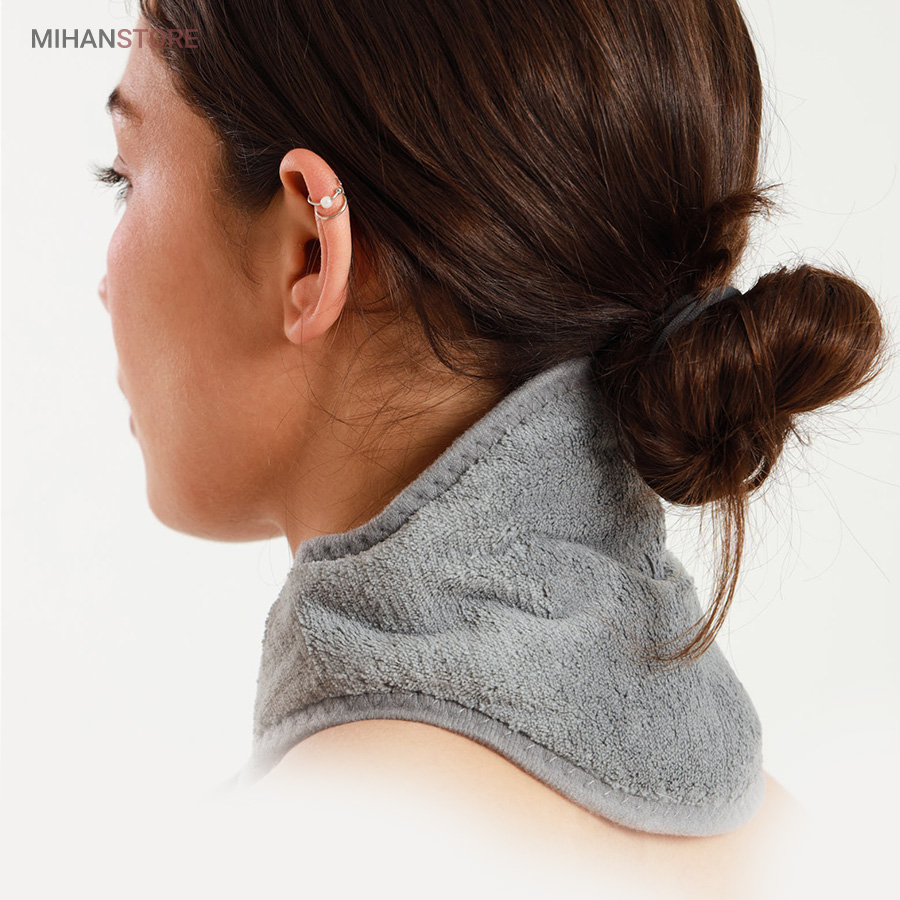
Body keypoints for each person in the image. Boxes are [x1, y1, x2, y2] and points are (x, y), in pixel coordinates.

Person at [95, 1, 886, 896]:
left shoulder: (290, 856)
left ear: (311, 249)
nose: (102, 282)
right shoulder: (796, 845)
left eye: (122, 177)